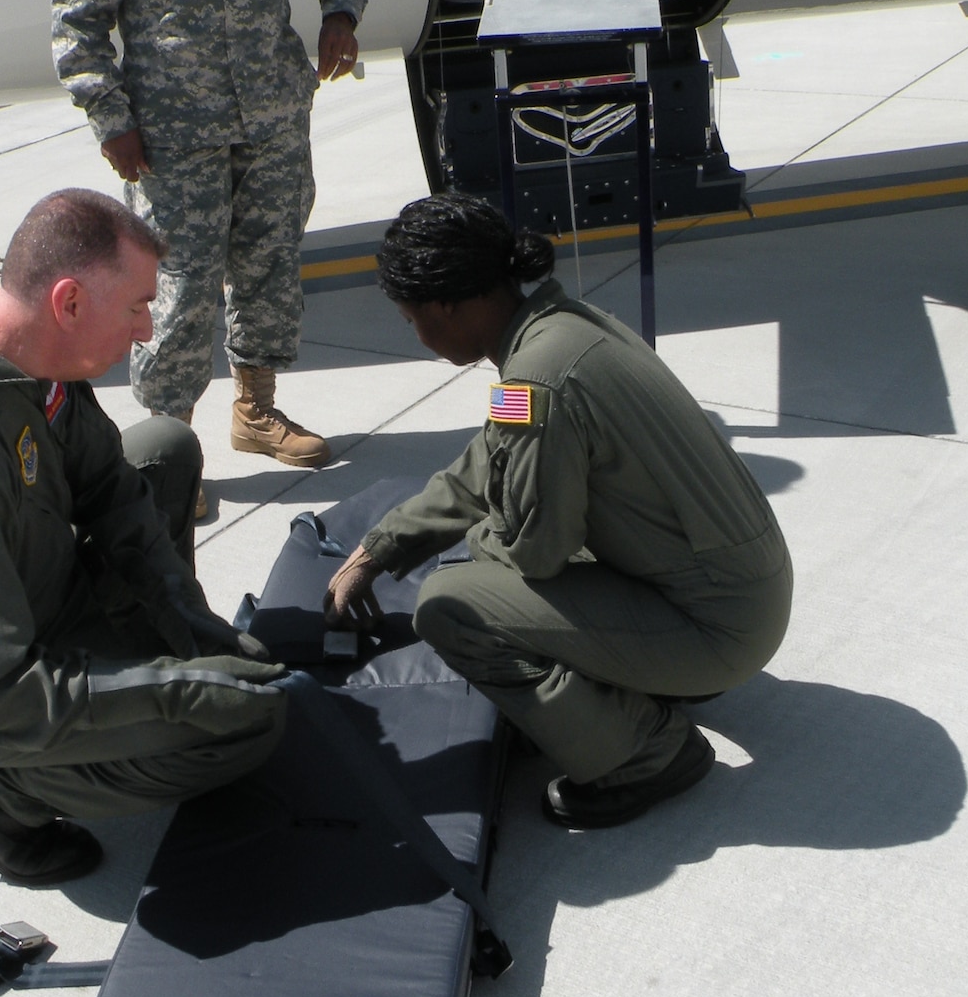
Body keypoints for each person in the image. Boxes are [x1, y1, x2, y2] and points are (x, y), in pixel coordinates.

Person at [0, 188, 287, 888]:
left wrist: (190, 626)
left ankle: (148, 664)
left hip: (40, 591)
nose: (147, 330)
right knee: (244, 729)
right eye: (137, 306)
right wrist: (182, 692)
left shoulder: (24, 362)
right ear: (70, 304)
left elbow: (111, 485)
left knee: (164, 448)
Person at [324, 195, 793, 829]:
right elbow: (491, 455)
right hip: (739, 595)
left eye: (412, 319)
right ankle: (647, 681)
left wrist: (479, 550)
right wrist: (381, 547)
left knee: (451, 604)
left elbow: (536, 551)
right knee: (495, 557)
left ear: (448, 304)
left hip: (717, 632)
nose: (416, 334)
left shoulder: (533, 380)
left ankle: (647, 754)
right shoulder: (561, 328)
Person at [50, 0, 368, 491]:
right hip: (170, 138)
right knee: (178, 293)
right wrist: (111, 120)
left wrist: (339, 14)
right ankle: (168, 450)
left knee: (268, 268)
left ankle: (256, 411)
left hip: (270, 119)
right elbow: (76, 17)